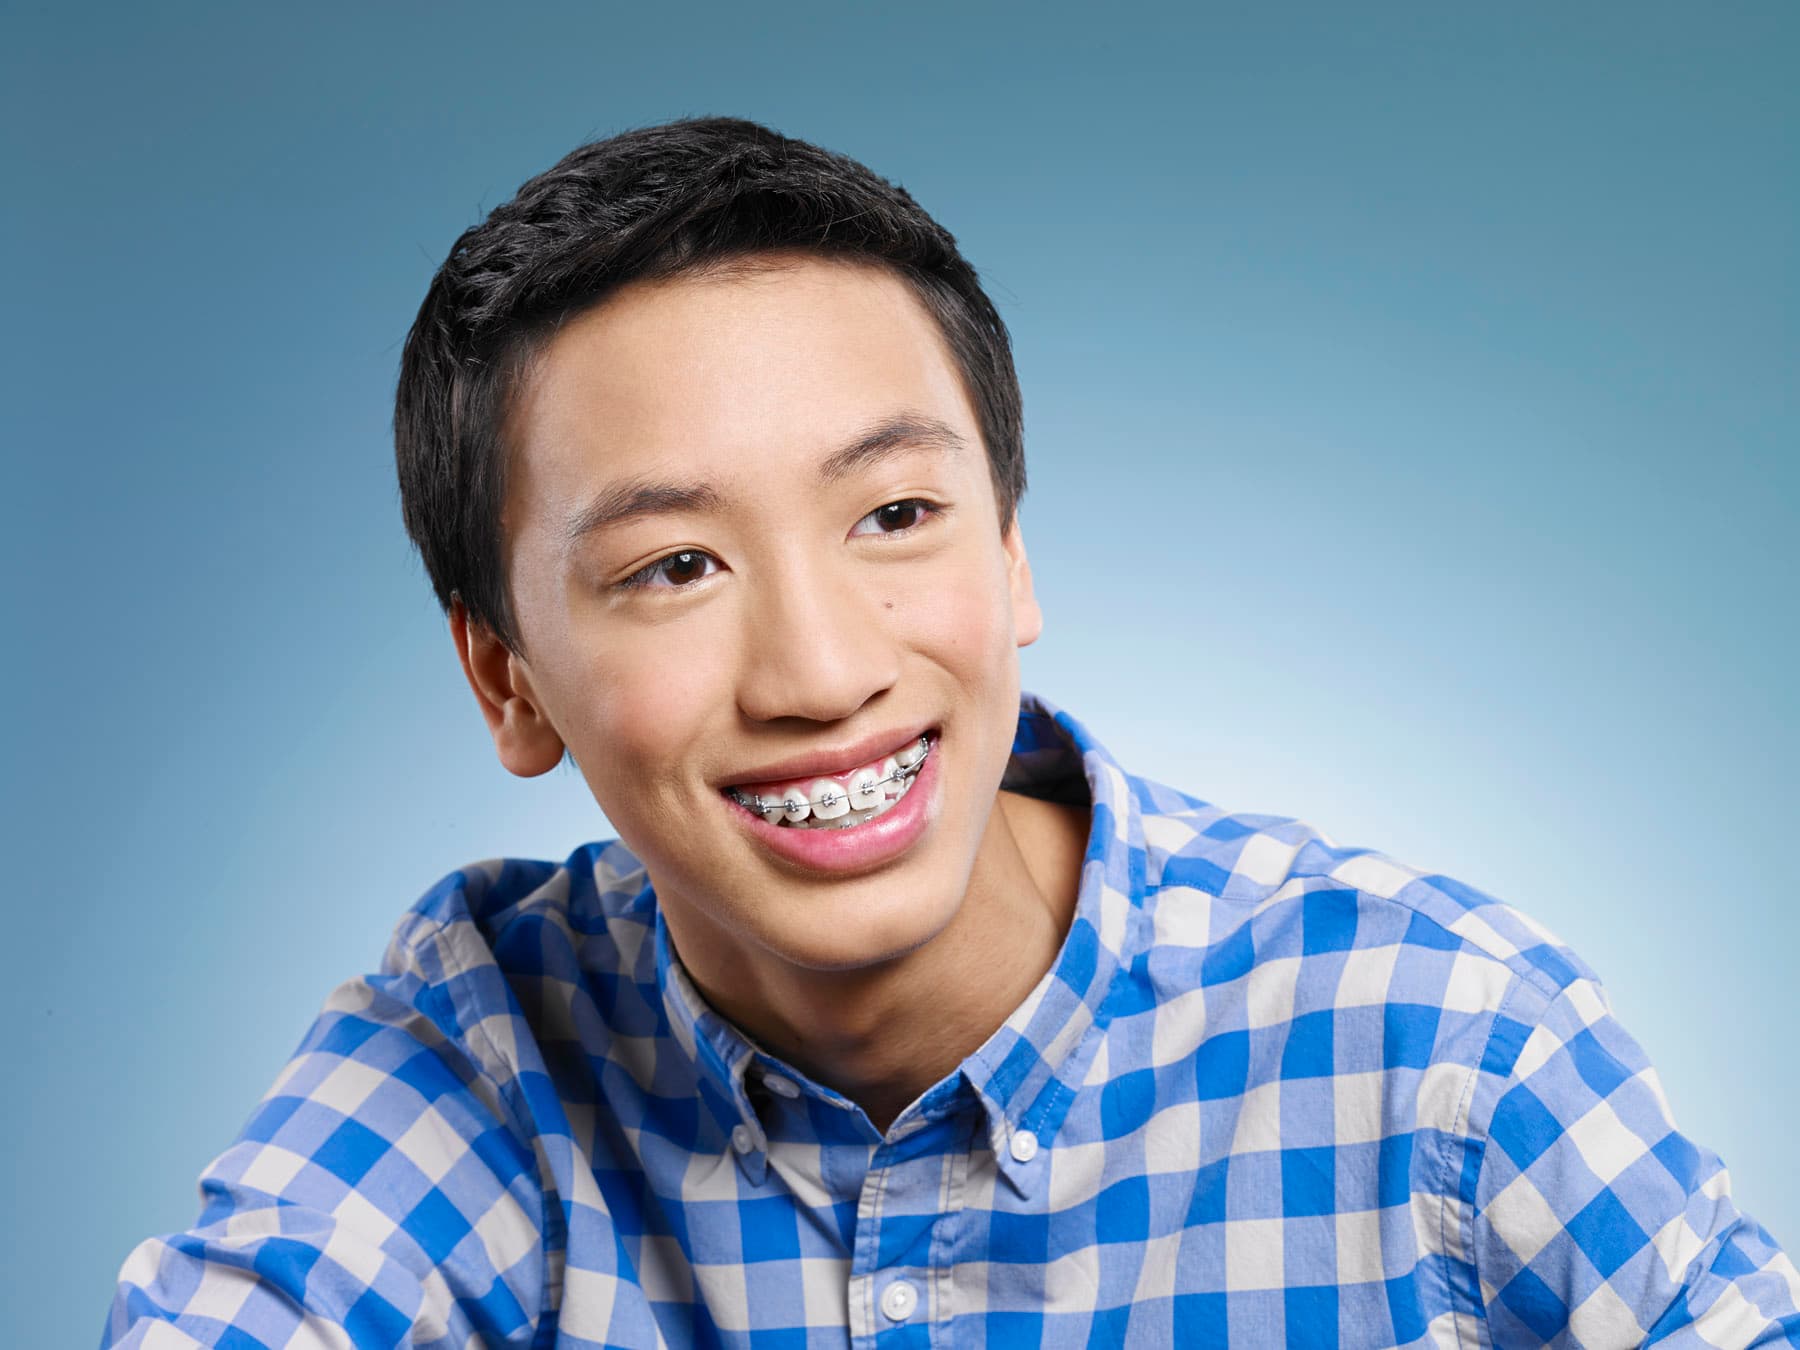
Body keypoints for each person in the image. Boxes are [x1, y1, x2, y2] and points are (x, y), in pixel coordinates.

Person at [103, 116, 1797, 1349]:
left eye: (896, 514)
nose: (821, 668)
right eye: (676, 565)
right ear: (508, 681)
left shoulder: (1441, 1042)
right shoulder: (481, 1045)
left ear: (1011, 553)